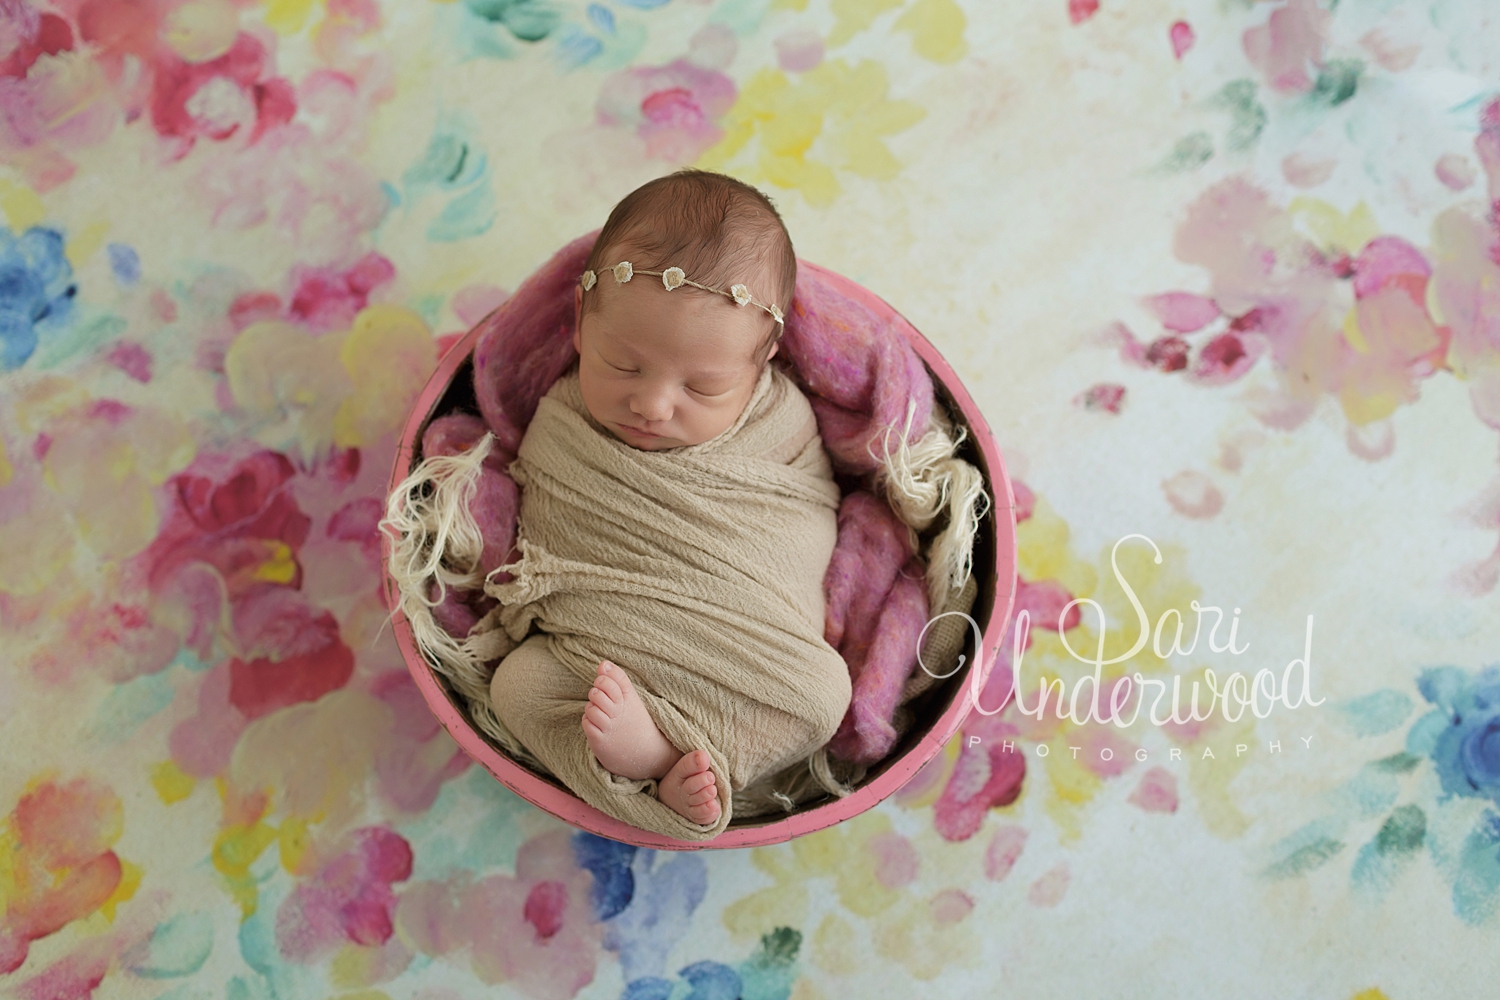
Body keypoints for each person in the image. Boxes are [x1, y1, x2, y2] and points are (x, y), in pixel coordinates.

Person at [486, 169, 850, 837]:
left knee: (821, 696)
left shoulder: (783, 420)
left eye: (705, 387)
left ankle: (675, 757)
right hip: (597, 655)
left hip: (743, 655)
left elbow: (799, 523)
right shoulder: (561, 420)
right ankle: (653, 767)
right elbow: (544, 525)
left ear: (765, 359)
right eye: (622, 366)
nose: (651, 405)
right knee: (516, 687)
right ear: (579, 323)